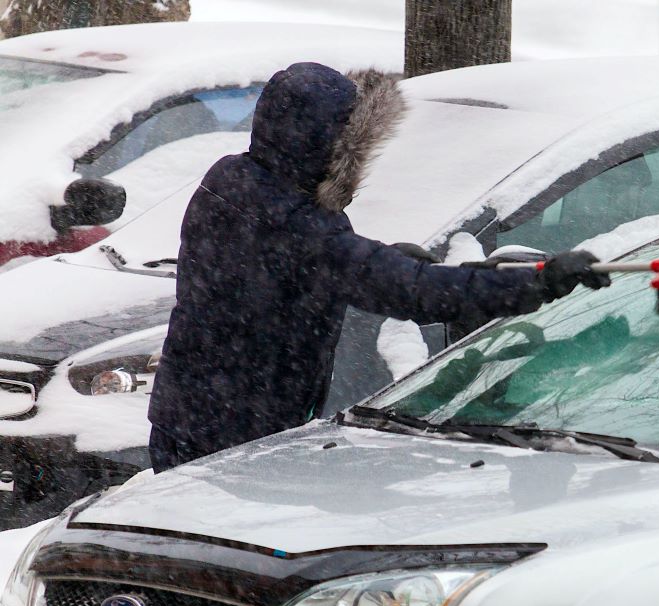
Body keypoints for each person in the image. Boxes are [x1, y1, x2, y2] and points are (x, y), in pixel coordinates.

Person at [147, 62, 608, 473]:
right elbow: (411, 291)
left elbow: (290, 265)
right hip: (236, 434)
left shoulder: (234, 179)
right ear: (324, 142)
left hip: (193, 412)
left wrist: (379, 255)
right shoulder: (296, 223)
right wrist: (537, 281)